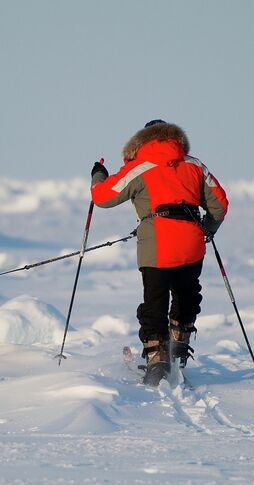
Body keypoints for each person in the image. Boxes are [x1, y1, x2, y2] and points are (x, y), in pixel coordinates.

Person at [90, 120, 229, 386]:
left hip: (156, 246)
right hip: (191, 243)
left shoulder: (139, 167)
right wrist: (207, 231)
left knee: (154, 300)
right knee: (186, 294)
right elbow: (219, 206)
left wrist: (98, 174)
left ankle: (157, 360)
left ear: (142, 141)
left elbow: (103, 197)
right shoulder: (195, 166)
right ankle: (178, 348)